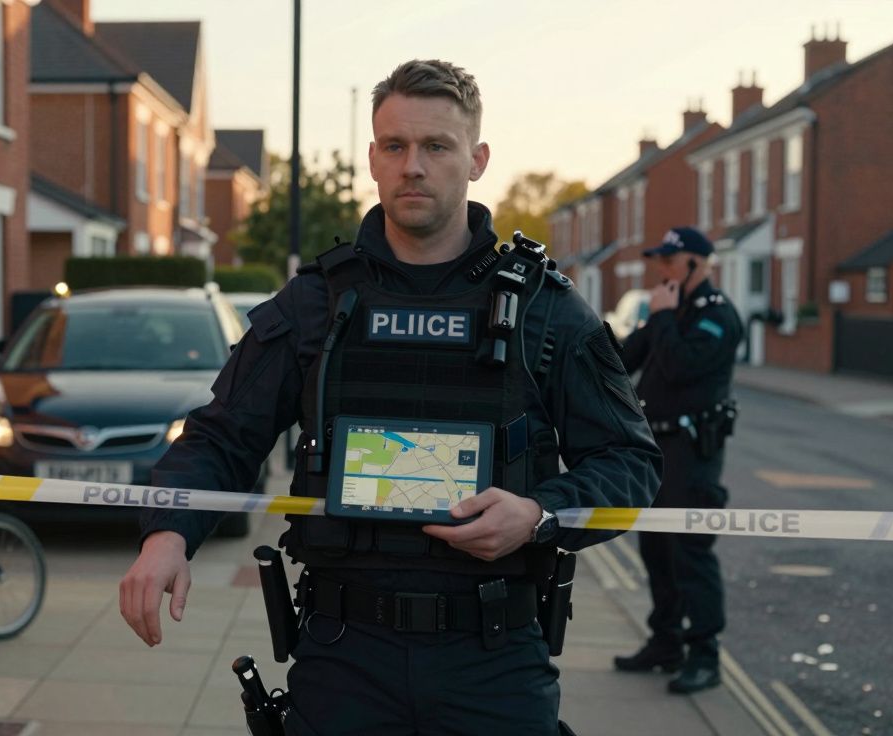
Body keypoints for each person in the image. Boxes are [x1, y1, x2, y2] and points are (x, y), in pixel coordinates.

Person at [121, 59, 661, 735]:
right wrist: (167, 535)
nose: (414, 166)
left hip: (491, 658)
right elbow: (221, 436)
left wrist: (538, 514)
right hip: (347, 654)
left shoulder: (544, 312)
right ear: (373, 158)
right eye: (395, 146)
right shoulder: (317, 303)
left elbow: (630, 463)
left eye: (437, 146)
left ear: (476, 159)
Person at [613, 227, 743, 694]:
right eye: (660, 260)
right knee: (656, 550)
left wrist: (662, 319)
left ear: (698, 263)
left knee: (690, 552)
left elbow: (680, 367)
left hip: (694, 453)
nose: (662, 269)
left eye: (671, 259)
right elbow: (624, 360)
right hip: (657, 451)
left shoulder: (717, 316)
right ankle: (665, 642)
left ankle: (704, 654)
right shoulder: (673, 311)